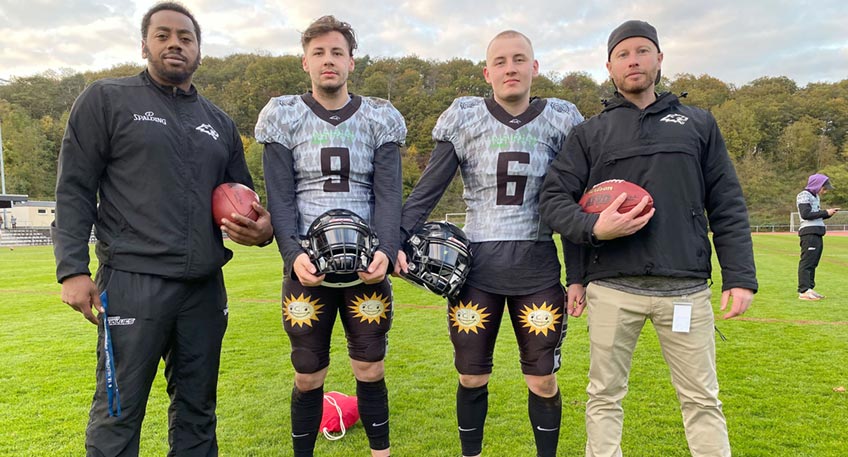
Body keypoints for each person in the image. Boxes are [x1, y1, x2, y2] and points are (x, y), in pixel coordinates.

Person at [52, 2, 273, 455]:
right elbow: (74, 188)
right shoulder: (107, 99)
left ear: (198, 50)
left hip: (204, 288)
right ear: (144, 45)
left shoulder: (219, 123)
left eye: (186, 37)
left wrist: (263, 229)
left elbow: (243, 198)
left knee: (198, 412)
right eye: (163, 35)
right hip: (133, 280)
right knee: (118, 411)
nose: (175, 43)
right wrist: (71, 269)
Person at [539, 20, 757, 457]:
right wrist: (592, 235)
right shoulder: (590, 133)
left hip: (685, 290)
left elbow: (727, 203)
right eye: (623, 54)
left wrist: (740, 276)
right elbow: (554, 201)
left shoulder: (697, 124)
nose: (633, 60)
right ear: (609, 66)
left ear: (659, 59)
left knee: (701, 398)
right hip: (613, 289)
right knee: (604, 396)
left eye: (642, 51)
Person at [397, 31, 583, 457]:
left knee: (542, 379)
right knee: (471, 376)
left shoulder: (561, 119)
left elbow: (572, 203)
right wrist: (394, 242)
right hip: (475, 270)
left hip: (537, 266)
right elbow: (427, 191)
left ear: (535, 68)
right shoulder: (464, 118)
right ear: (487, 72)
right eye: (500, 61)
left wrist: (578, 276)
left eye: (519, 59)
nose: (510, 68)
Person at [254, 15, 405, 457]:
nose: (328, 60)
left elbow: (388, 193)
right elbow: (280, 196)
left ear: (351, 62)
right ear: (305, 62)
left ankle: (381, 452)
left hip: (364, 269)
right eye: (319, 52)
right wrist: (290, 254)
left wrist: (387, 249)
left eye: (337, 52)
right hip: (309, 269)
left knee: (370, 368)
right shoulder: (283, 114)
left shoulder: (379, 116)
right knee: (307, 374)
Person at [796, 173, 839, 300]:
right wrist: (825, 212)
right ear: (817, 185)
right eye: (823, 188)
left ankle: (809, 288)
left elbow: (815, 214)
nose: (824, 191)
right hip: (809, 233)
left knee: (813, 262)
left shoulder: (815, 197)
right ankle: (803, 290)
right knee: (807, 262)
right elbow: (806, 214)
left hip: (817, 232)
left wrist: (828, 214)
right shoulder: (804, 195)